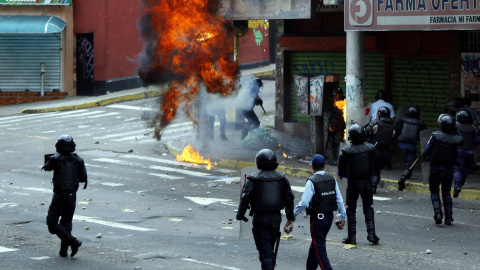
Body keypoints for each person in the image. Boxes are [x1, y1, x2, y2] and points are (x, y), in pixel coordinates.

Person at [236, 149, 295, 270]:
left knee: (265, 250)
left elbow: (244, 198)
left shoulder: (254, 179)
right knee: (269, 248)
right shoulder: (282, 178)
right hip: (275, 219)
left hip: (260, 219)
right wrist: (290, 218)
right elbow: (289, 199)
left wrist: (240, 214)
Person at [285, 154, 346, 270]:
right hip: (329, 218)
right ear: (325, 166)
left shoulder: (311, 182)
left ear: (312, 167)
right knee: (316, 244)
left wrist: (292, 215)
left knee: (320, 250)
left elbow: (304, 203)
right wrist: (343, 218)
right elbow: (339, 200)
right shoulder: (331, 179)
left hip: (318, 219)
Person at [42, 135, 87, 257]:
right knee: (66, 222)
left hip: (59, 196)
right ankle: (63, 251)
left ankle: (74, 242)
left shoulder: (56, 158)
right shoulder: (78, 159)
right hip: (72, 197)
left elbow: (46, 167)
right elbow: (83, 178)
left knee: (52, 224)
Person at [338, 124, 379, 244]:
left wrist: (343, 173)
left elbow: (341, 166)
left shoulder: (347, 151)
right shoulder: (370, 148)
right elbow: (375, 163)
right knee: (368, 207)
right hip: (366, 182)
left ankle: (352, 236)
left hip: (353, 183)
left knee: (351, 209)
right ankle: (371, 234)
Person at [422, 115, 463, 225]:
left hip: (435, 168)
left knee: (434, 191)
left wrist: (424, 156)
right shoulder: (457, 140)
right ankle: (449, 217)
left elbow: (426, 150)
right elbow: (459, 152)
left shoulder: (436, 136)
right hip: (448, 170)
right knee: (446, 193)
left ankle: (438, 213)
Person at [395, 106, 427, 191]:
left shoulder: (402, 120)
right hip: (411, 146)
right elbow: (424, 134)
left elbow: (397, 130)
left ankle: (408, 174)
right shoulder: (420, 123)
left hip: (401, 144)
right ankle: (403, 178)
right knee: (409, 162)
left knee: (407, 160)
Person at [365, 106, 395, 194]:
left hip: (374, 151)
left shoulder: (376, 124)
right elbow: (393, 138)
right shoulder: (392, 126)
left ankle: (369, 186)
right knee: (376, 169)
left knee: (369, 168)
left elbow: (367, 132)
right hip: (385, 153)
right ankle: (373, 185)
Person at [453, 110, 480, 198]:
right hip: (469, 152)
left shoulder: (455, 127)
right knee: (466, 169)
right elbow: (478, 140)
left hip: (459, 152)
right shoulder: (472, 128)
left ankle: (457, 184)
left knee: (457, 169)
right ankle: (460, 183)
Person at [327, 87, 346, 165]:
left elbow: (343, 113)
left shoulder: (344, 101)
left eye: (337, 95)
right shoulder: (334, 101)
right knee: (331, 140)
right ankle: (335, 158)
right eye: (334, 95)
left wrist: (337, 110)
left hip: (340, 125)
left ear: (340, 94)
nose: (335, 96)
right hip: (332, 124)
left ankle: (339, 160)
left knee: (339, 142)